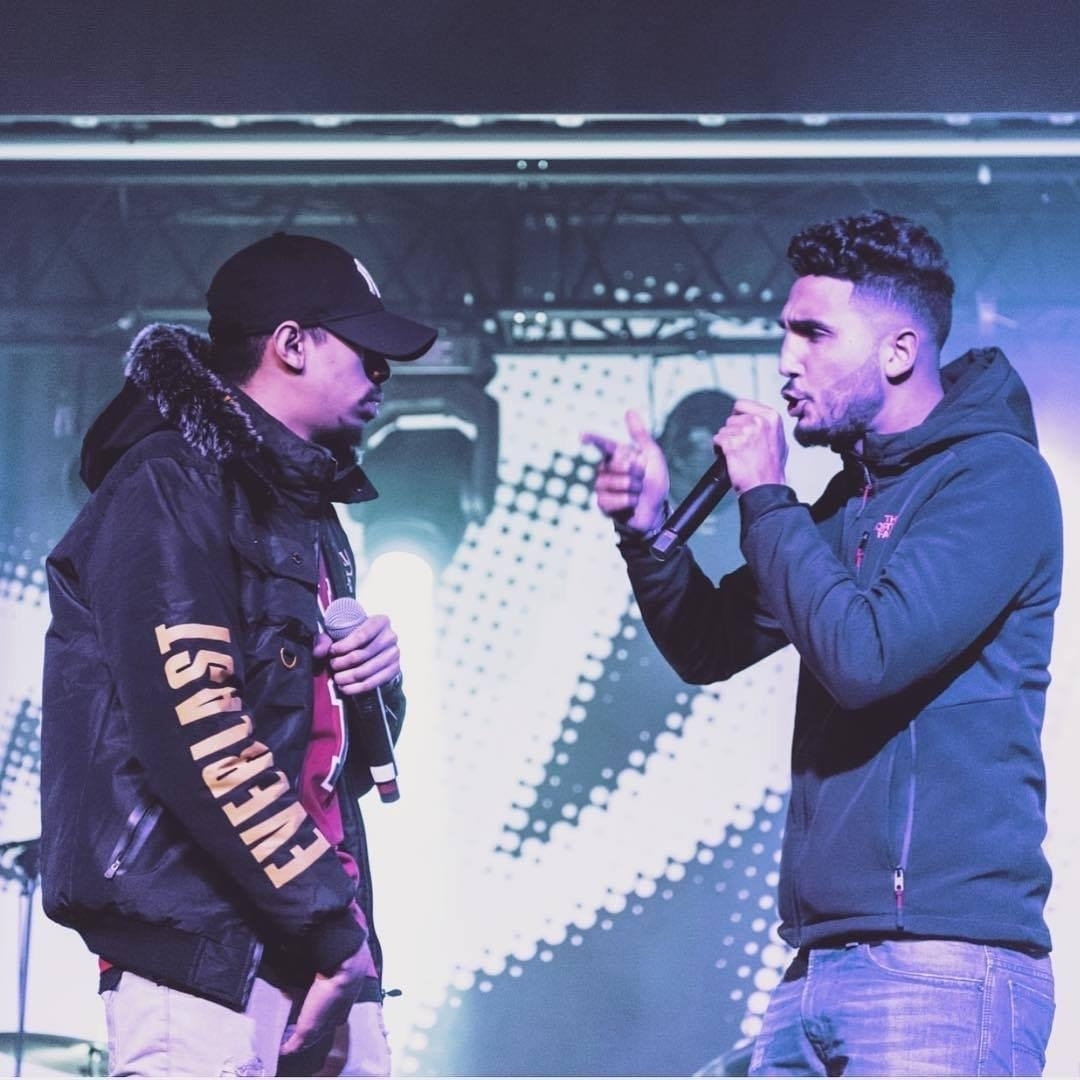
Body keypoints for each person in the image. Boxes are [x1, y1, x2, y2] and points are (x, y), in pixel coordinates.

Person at [584, 210, 1062, 1076]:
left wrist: (767, 496)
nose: (785, 359)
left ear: (899, 351)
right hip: (817, 964)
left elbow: (865, 660)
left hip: (942, 967)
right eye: (785, 331)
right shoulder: (847, 503)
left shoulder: (996, 479)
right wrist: (649, 532)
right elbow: (708, 645)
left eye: (813, 333)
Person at [40, 232, 437, 1076]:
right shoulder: (169, 483)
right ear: (291, 343)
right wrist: (331, 932)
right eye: (364, 349)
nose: (383, 373)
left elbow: (319, 754)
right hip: (203, 955)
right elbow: (200, 731)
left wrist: (377, 686)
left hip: (321, 946)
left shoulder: (305, 509)